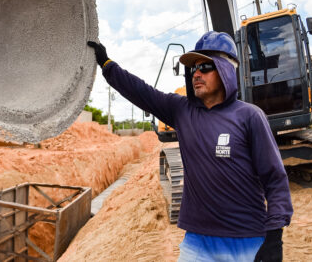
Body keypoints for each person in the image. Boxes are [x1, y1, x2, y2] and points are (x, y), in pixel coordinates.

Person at [87, 31, 292, 262]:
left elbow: (275, 178)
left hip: (246, 239)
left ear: (225, 69)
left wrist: (275, 237)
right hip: (197, 242)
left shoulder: (250, 117)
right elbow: (141, 91)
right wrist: (107, 65)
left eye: (205, 67)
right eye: (194, 68)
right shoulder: (182, 110)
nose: (197, 74)